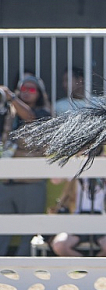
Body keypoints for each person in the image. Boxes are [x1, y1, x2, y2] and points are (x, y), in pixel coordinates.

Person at [0, 75, 51, 256]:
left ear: (39, 93)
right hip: (7, 181)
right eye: (24, 89)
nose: (27, 93)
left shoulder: (44, 113)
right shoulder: (10, 113)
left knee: (28, 233)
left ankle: (23, 266)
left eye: (31, 89)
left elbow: (30, 116)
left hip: (31, 183)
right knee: (2, 230)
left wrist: (12, 97)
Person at [49, 159, 106, 257]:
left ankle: (95, 268)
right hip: (78, 216)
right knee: (59, 246)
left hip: (104, 216)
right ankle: (84, 267)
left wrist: (104, 162)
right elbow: (55, 180)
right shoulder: (76, 162)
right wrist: (76, 158)